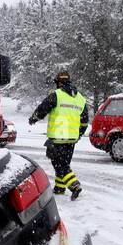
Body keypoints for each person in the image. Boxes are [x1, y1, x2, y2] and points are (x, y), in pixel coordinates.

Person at [28, 70, 88, 199]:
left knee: (59, 165)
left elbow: (42, 108)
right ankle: (59, 188)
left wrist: (34, 118)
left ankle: (74, 185)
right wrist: (79, 134)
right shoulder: (81, 99)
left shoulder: (56, 95)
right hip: (71, 139)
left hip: (57, 137)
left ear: (58, 82)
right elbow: (84, 122)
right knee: (64, 163)